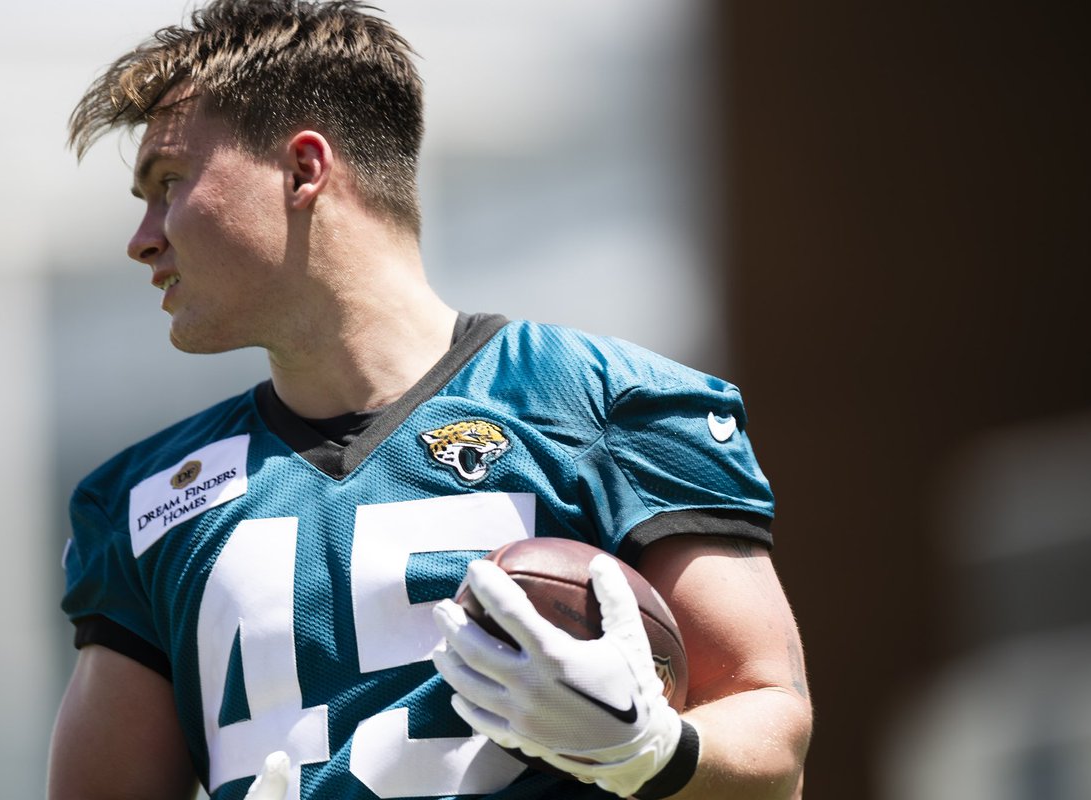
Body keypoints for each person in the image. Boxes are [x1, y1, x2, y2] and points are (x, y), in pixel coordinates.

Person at [47, 2, 812, 799]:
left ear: (304, 171)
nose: (142, 236)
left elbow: (774, 740)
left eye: (169, 183)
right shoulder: (145, 500)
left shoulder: (605, 407)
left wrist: (652, 749)